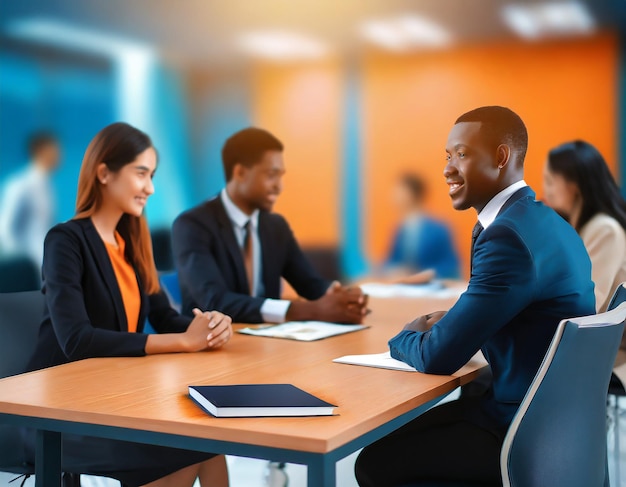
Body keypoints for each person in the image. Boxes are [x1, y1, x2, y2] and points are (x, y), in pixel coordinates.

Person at [354, 106, 595, 486]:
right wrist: (452, 324)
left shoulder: (508, 237)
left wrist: (405, 337)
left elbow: (438, 357)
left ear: (501, 158)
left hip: (520, 431)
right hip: (558, 424)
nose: (448, 169)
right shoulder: (546, 223)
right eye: (447, 156)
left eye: (462, 155)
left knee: (373, 461)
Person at [23, 122, 232, 487]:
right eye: (141, 174)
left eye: (152, 176)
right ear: (104, 172)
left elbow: (164, 316)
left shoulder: (130, 244)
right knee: (184, 450)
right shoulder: (65, 241)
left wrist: (209, 326)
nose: (150, 188)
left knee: (210, 442)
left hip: (112, 395)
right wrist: (183, 342)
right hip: (58, 409)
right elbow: (78, 341)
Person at [172, 127, 367, 324]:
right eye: (271, 175)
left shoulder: (276, 227)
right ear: (240, 172)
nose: (279, 186)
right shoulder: (192, 225)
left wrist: (342, 297)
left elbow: (309, 283)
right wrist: (304, 310)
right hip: (213, 346)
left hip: (269, 342)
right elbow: (214, 301)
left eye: (280, 176)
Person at [543, 140, 626, 313]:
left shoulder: (604, 229)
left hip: (606, 339)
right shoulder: (582, 229)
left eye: (550, 181)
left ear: (574, 185)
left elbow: (588, 302)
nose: (546, 191)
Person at [385, 173, 460, 279]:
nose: (394, 195)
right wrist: (394, 270)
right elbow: (390, 261)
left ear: (411, 194)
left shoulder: (438, 229)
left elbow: (450, 265)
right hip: (404, 288)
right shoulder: (400, 229)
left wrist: (425, 274)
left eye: (399, 191)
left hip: (431, 288)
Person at [0, 132, 60, 265]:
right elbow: (5, 228)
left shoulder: (46, 184)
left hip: (46, 262)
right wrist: (20, 263)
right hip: (29, 266)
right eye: (55, 150)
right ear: (40, 151)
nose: (59, 155)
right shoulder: (20, 185)